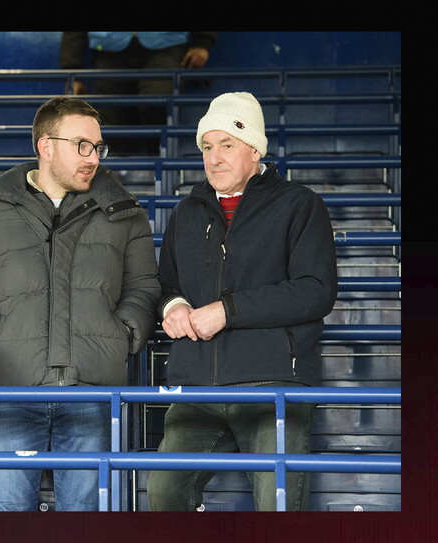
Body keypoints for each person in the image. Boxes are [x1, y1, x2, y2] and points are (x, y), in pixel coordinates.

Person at [0, 96, 161, 511]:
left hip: (93, 390)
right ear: (45, 146)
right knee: (9, 516)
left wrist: (124, 333)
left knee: (84, 519)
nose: (92, 157)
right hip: (11, 389)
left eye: (97, 147)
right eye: (81, 145)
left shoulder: (125, 213)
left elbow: (144, 287)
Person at [146, 92, 338, 512]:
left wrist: (226, 311)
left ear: (255, 150)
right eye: (207, 148)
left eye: (227, 145)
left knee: (278, 504)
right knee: (162, 492)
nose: (214, 158)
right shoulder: (186, 213)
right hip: (196, 388)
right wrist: (173, 307)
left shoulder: (299, 205)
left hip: (272, 387)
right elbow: (165, 285)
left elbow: (315, 290)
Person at [60, 32, 217, 155]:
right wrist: (72, 70)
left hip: (166, 46)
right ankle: (122, 178)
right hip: (108, 49)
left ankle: (156, 167)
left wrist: (203, 43)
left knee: (158, 103)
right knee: (113, 117)